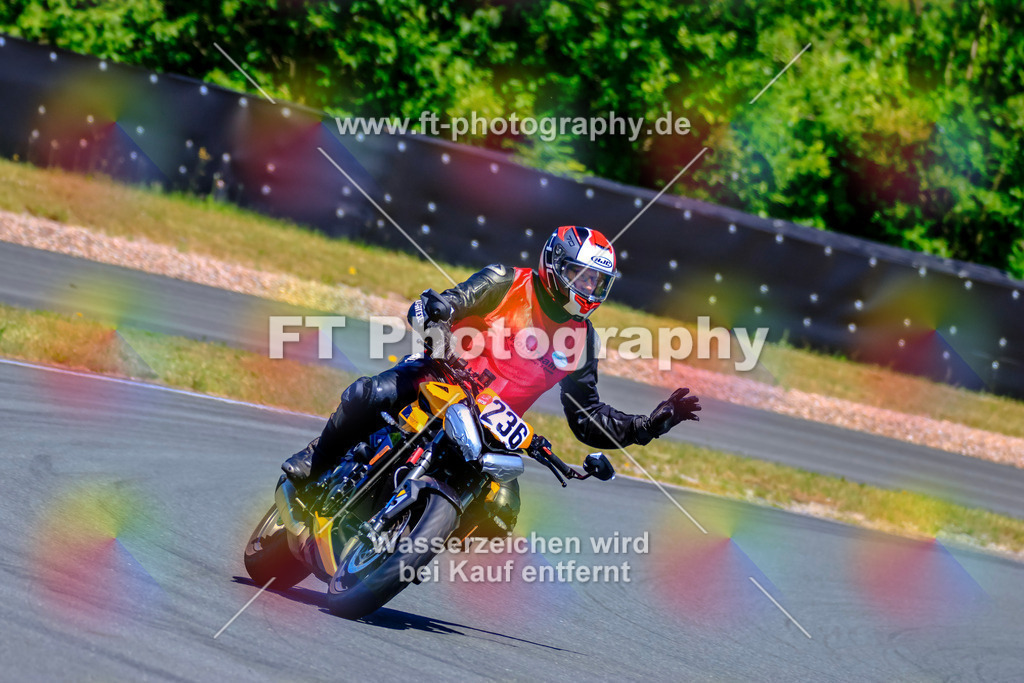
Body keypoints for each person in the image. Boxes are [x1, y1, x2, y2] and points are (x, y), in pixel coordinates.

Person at [281, 225, 701, 533]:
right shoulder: (506, 281)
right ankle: (318, 463)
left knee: (501, 515)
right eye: (583, 276)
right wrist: (439, 323)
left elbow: (586, 416)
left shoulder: (582, 340)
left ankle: (412, 535)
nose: (590, 289)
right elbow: (446, 303)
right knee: (367, 393)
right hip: (438, 377)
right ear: (555, 265)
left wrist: (649, 425)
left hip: (491, 426)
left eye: (598, 282)